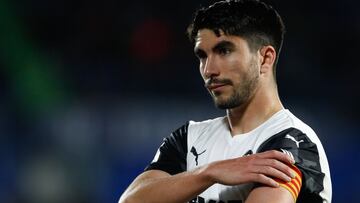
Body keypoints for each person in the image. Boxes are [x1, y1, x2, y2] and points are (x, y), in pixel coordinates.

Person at [119, 0, 332, 202]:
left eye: (224, 51)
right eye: (202, 55)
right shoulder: (189, 138)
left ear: (265, 58)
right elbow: (130, 200)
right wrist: (210, 172)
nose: (209, 70)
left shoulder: (293, 144)